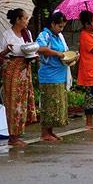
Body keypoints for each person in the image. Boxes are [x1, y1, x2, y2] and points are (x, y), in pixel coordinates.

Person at [0, 8, 37, 147]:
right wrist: (7, 50)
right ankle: (13, 136)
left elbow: (31, 49)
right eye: (25, 18)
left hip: (24, 68)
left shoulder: (27, 34)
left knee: (23, 101)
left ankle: (19, 133)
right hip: (12, 69)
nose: (27, 21)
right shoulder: (6, 35)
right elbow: (0, 56)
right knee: (13, 102)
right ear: (18, 20)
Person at [36, 11, 70, 141]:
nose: (61, 29)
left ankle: (51, 131)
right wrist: (57, 53)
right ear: (52, 24)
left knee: (56, 104)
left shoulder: (58, 36)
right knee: (48, 103)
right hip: (49, 75)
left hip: (60, 73)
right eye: (59, 26)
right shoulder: (45, 35)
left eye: (63, 27)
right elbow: (40, 48)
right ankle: (45, 132)